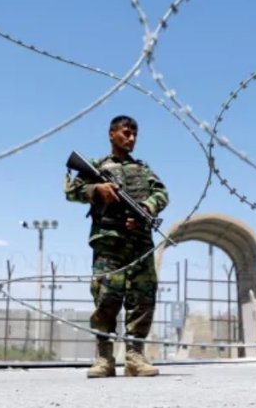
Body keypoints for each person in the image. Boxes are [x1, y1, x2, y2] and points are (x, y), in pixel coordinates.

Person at [65, 115, 169, 378]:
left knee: (142, 299)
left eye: (134, 134)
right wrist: (96, 190)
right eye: (126, 133)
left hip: (139, 243)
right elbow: (71, 192)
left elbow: (162, 194)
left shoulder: (144, 170)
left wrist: (146, 208)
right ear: (112, 134)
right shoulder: (97, 166)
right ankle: (104, 358)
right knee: (106, 299)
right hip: (109, 241)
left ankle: (135, 357)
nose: (131, 138)